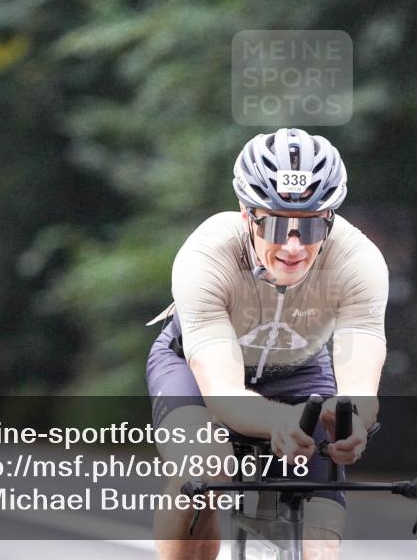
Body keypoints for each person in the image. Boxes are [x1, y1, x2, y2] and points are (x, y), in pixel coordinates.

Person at [145, 128, 389, 560]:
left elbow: (359, 378)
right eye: (276, 223)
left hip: (301, 370)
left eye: (312, 225)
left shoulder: (359, 261)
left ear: (330, 218)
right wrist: (282, 420)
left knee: (321, 541)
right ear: (246, 214)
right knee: (204, 466)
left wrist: (352, 420)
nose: (294, 246)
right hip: (194, 368)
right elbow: (223, 396)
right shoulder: (206, 254)